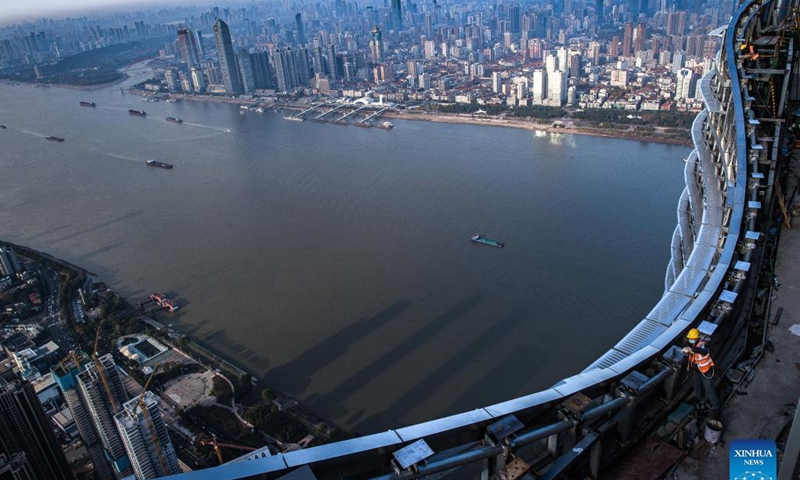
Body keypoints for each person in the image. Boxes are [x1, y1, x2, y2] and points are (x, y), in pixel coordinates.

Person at [682, 328, 721, 415]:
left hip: (705, 371)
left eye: (692, 339)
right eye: (689, 338)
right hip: (697, 370)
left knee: (709, 389)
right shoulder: (693, 344)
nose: (690, 340)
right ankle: (698, 398)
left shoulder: (702, 345)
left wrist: (691, 350)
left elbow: (703, 352)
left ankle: (716, 407)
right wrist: (686, 348)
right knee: (696, 385)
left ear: (696, 338)